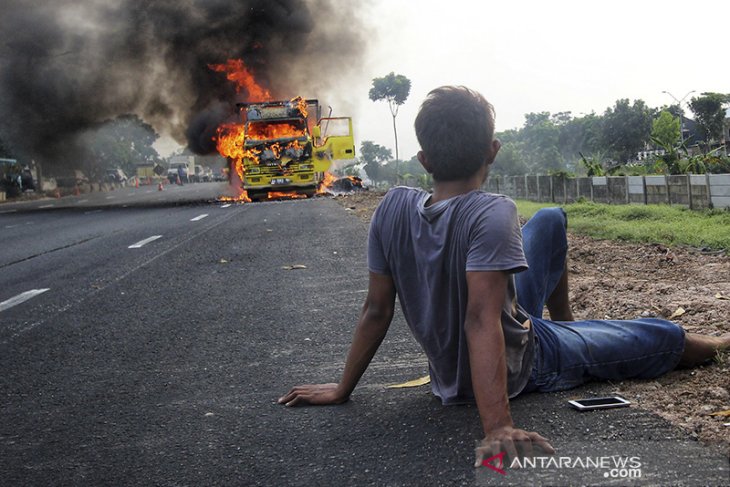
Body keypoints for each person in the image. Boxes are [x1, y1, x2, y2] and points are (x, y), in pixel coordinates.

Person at [278, 86, 730, 465]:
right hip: (522, 361)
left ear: (423, 159)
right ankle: (715, 345)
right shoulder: (493, 211)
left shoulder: (391, 207)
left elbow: (376, 310)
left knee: (550, 218)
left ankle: (566, 325)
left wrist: (343, 388)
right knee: (661, 334)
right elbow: (481, 320)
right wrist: (498, 426)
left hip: (501, 325)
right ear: (493, 150)